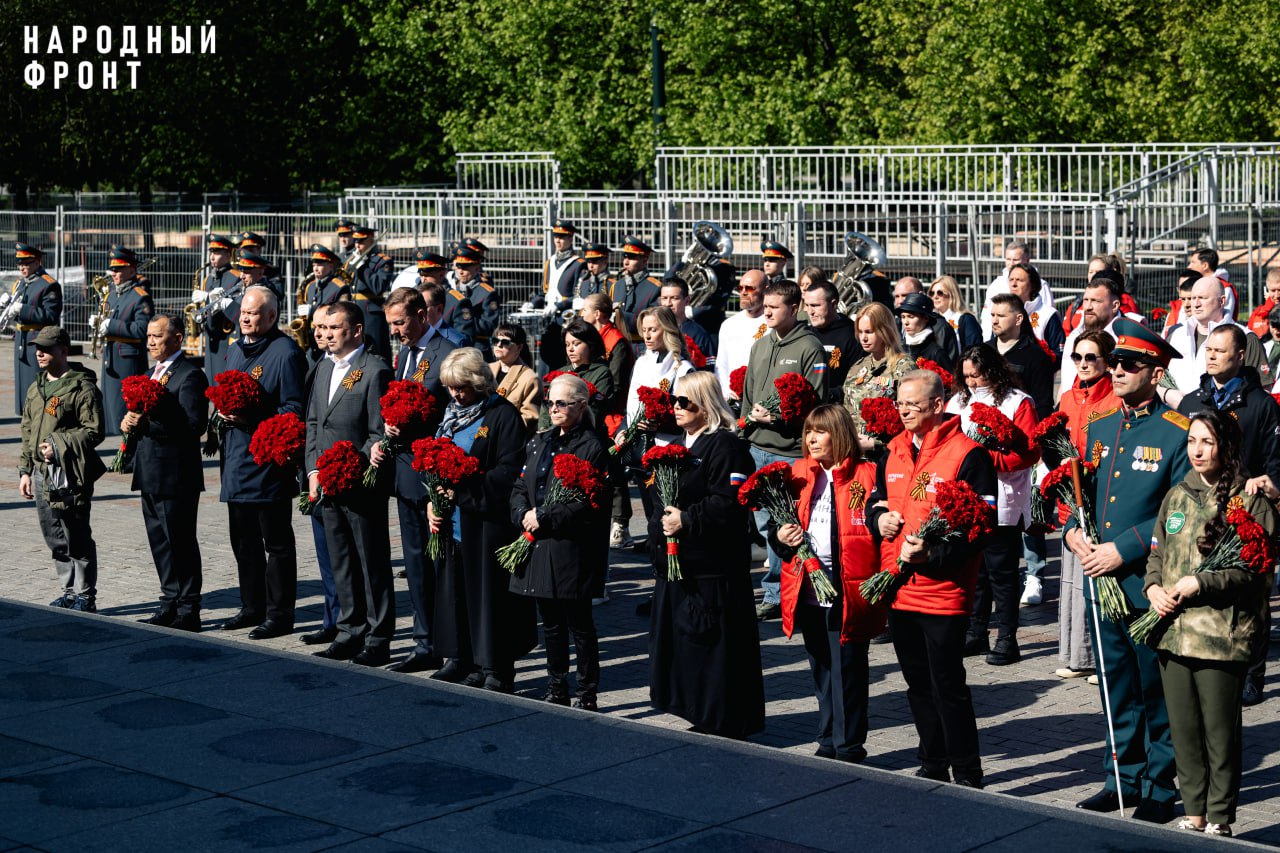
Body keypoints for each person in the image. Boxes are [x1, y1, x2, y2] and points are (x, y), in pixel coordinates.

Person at [1066, 318, 1190, 824]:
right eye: (1114, 362)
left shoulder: (1176, 432)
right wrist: (1075, 532)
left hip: (1146, 579)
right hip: (1102, 578)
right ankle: (1121, 775)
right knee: (1115, 683)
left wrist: (1124, 549)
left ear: (1155, 372)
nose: (1116, 370)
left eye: (1129, 365)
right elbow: (1082, 496)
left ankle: (1161, 784)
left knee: (1154, 687)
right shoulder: (1099, 426)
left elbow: (1178, 513)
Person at [1144, 409, 1276, 838]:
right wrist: (1153, 590)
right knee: (1183, 731)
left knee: (1219, 733)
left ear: (1227, 447)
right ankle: (1194, 810)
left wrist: (1202, 581)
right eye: (1192, 442)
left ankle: (1220, 815)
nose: (1197, 451)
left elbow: (1256, 570)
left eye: (1207, 442)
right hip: (1174, 632)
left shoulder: (1249, 498)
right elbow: (1157, 553)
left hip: (1221, 634)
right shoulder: (1177, 495)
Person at [866, 369, 997, 788]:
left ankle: (968, 771)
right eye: (899, 403)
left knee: (948, 685)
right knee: (917, 685)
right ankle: (932, 763)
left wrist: (933, 554)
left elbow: (982, 526)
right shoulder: (894, 449)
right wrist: (879, 518)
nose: (902, 410)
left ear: (937, 405)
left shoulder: (968, 454)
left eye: (912, 403)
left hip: (943, 592)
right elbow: (875, 498)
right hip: (899, 587)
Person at [647, 371, 764, 737]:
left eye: (686, 401)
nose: (677, 407)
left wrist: (687, 518)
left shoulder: (726, 447)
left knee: (714, 647)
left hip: (713, 568)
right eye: (675, 400)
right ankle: (699, 710)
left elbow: (728, 504)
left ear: (706, 405)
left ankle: (722, 719)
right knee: (688, 644)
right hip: (682, 566)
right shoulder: (682, 444)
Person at [1175, 323, 1280, 705]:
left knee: (1251, 595)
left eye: (1221, 351)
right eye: (1209, 350)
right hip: (1198, 511)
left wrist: (1268, 485)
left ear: (1240, 356)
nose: (1212, 356)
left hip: (1245, 511)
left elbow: (1275, 460)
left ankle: (1252, 672)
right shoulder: (1192, 402)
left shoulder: (1261, 405)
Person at [775, 404, 884, 760]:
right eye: (808, 431)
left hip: (848, 589)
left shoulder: (867, 474)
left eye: (819, 431)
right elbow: (781, 532)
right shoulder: (798, 473)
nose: (811, 438)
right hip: (806, 588)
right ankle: (826, 739)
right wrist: (782, 535)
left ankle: (849, 744)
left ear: (838, 434)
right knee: (822, 668)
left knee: (849, 671)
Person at [426, 348, 538, 691]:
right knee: (456, 591)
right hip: (453, 522)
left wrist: (463, 489)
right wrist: (432, 500)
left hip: (486, 522)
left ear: (478, 382)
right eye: (450, 387)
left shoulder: (501, 415)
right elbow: (433, 458)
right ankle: (461, 658)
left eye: (461, 387)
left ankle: (496, 667)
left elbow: (507, 471)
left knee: (488, 597)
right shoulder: (449, 413)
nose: (455, 394)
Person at [510, 373, 611, 709]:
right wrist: (524, 511)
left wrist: (547, 516)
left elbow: (586, 501)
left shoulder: (591, 446)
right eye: (549, 402)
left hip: (571, 546)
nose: (553, 408)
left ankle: (587, 692)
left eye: (561, 403)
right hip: (539, 540)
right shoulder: (540, 440)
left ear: (581, 405)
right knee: (551, 622)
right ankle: (557, 687)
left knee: (579, 622)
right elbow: (521, 484)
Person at [372, 287, 458, 673]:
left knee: (441, 561)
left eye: (401, 322)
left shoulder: (445, 352)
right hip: (406, 469)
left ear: (423, 314)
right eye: (391, 324)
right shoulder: (404, 353)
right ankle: (424, 641)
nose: (396, 331)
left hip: (435, 470)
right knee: (415, 561)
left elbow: (455, 409)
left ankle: (451, 640)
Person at [306, 300, 395, 666]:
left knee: (370, 560)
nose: (326, 335)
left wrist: (352, 464)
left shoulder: (375, 371)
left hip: (360, 481)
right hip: (325, 480)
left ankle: (378, 636)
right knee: (340, 559)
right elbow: (313, 423)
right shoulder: (323, 368)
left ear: (356, 331)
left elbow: (378, 432)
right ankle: (349, 628)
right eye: (323, 329)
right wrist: (313, 471)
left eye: (335, 328)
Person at [217, 286, 307, 639]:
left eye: (253, 314)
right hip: (237, 460)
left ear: (271, 317)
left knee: (276, 544)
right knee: (243, 541)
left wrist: (251, 415)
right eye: (243, 312)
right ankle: (251, 605)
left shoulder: (285, 353)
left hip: (268, 463)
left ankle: (279, 613)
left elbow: (293, 410)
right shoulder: (236, 349)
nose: (245, 318)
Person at [947, 345, 1040, 665]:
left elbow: (1029, 452)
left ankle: (1007, 638)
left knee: (1001, 572)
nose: (972, 382)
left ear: (993, 370)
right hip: (966, 500)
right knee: (976, 571)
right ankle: (976, 633)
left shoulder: (1017, 401)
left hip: (1003, 497)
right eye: (967, 376)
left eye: (978, 374)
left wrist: (988, 460)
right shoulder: (958, 401)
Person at [741, 279, 827, 621]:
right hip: (756, 447)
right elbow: (748, 391)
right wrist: (747, 425)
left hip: (788, 451)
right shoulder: (761, 344)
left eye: (775, 307)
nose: (767, 311)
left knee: (786, 523)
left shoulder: (810, 347)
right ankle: (778, 587)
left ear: (794, 309)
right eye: (766, 305)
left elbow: (814, 404)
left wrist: (776, 418)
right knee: (765, 525)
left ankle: (780, 590)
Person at [125, 314, 209, 632]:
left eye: (157, 336)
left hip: (176, 474)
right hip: (149, 470)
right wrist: (129, 423)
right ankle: (169, 602)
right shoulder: (150, 374)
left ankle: (189, 608)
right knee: (159, 541)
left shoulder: (189, 376)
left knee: (180, 541)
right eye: (148, 336)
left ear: (176, 339)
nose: (150, 342)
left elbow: (192, 425)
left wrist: (146, 423)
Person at [18, 326, 106, 613]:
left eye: (47, 348)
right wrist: (25, 470)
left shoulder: (83, 387)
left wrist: (57, 445)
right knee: (53, 534)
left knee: (76, 531)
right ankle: (67, 591)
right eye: (37, 348)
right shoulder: (36, 387)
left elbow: (94, 430)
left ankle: (85, 595)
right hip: (42, 475)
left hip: (70, 472)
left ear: (64, 351)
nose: (40, 353)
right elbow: (28, 430)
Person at [1052, 330, 1118, 679]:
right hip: (1071, 500)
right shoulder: (1066, 397)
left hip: (1102, 498)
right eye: (1077, 357)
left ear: (1107, 361)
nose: (1083, 364)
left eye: (1091, 357)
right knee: (1074, 582)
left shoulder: (1114, 398)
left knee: (1098, 579)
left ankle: (1103, 659)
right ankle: (1077, 656)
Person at [613, 306, 695, 548]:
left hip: (667, 445)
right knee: (649, 505)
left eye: (653, 330)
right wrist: (624, 429)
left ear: (667, 330)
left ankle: (667, 547)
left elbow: (688, 413)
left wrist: (660, 421)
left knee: (666, 503)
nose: (647, 336)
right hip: (640, 445)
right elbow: (631, 403)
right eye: (644, 330)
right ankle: (654, 540)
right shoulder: (641, 362)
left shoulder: (682, 368)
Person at [1164, 276, 1269, 403]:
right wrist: (1167, 395)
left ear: (1222, 301)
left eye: (1203, 298)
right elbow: (1158, 376)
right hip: (1175, 418)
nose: (1195, 304)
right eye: (1193, 298)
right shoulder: (1176, 335)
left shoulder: (1246, 338)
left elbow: (1263, 392)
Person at [842, 302, 917, 458]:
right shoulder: (857, 367)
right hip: (854, 455)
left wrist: (877, 444)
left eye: (869, 332)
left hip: (887, 456)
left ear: (884, 331)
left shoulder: (903, 367)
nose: (863, 337)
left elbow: (913, 418)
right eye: (860, 332)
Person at [96, 246, 154, 437]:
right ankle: (123, 451)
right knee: (112, 409)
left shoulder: (140, 297)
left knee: (127, 407)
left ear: (132, 270)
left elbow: (142, 329)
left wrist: (110, 325)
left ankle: (130, 453)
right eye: (112, 269)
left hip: (128, 360)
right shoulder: (112, 294)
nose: (114, 273)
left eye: (119, 269)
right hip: (111, 357)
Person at [7, 243, 62, 416]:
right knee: (23, 388)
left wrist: (22, 309)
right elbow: (18, 314)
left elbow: (51, 315)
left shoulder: (49, 284)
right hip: (22, 339)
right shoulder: (20, 284)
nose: (22, 267)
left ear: (37, 262)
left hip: (38, 340)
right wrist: (8, 307)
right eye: (20, 263)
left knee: (37, 385)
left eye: (27, 263)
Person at [988, 293, 1054, 418]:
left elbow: (1043, 405)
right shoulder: (984, 350)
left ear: (1018, 319)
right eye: (993, 315)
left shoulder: (1036, 356)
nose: (994, 321)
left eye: (1001, 316)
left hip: (1021, 427)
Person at [1059, 273, 1125, 392]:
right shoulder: (1074, 337)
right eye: (1086, 300)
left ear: (1114, 306)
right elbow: (1066, 383)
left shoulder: (1128, 338)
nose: (1088, 307)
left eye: (1096, 301)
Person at [582, 291, 634, 439]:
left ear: (597, 314)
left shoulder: (616, 342)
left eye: (585, 310)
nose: (582, 314)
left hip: (609, 413)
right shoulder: (594, 338)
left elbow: (616, 383)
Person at [803, 278, 864, 402]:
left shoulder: (853, 334)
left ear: (833, 304)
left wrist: (829, 395)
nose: (810, 312)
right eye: (807, 305)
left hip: (837, 410)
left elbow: (859, 381)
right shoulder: (804, 333)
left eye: (815, 305)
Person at [195, 234, 244, 384]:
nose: (212, 257)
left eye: (216, 253)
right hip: (212, 340)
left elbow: (236, 309)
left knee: (224, 383)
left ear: (228, 254)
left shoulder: (236, 277)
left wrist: (208, 297)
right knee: (211, 382)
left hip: (226, 338)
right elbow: (206, 308)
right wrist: (200, 315)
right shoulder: (208, 279)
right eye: (211, 252)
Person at [714, 269, 768, 401]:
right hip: (732, 398)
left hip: (762, 397)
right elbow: (721, 365)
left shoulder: (773, 323)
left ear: (765, 291)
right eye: (740, 288)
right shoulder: (729, 325)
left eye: (749, 288)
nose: (743, 292)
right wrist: (726, 392)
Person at [346, 225, 394, 363]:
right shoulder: (353, 258)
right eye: (355, 241)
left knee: (376, 351)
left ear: (371, 240)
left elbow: (378, 287)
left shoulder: (382, 261)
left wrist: (362, 268)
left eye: (361, 242)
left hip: (371, 314)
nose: (357, 245)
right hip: (353, 310)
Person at [301, 244, 352, 363]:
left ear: (330, 266)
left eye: (320, 265)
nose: (315, 268)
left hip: (329, 342)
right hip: (312, 340)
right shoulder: (310, 286)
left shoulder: (339, 287)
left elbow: (342, 316)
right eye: (314, 265)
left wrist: (312, 310)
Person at [446, 244, 502, 353]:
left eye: (466, 267)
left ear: (477, 267)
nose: (461, 271)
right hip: (451, 345)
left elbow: (489, 325)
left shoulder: (487, 293)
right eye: (458, 266)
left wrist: (464, 319)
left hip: (477, 347)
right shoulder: (452, 289)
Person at [1007, 262, 1065, 364]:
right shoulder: (1004, 313)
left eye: (1019, 280)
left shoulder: (1048, 315)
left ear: (1032, 285)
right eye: (1011, 280)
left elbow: (1059, 354)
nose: (1014, 284)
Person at [489, 322, 540, 433]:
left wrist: (501, 431)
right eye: (495, 341)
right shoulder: (486, 370)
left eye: (505, 342)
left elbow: (529, 418)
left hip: (506, 437)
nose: (498, 345)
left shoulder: (529, 378)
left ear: (519, 347)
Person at [615, 236, 663, 342]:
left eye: (631, 257)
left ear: (645, 260)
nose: (626, 262)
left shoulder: (655, 288)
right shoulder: (617, 285)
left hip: (640, 345)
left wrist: (619, 316)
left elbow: (653, 323)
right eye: (624, 256)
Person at [659, 278, 716, 366]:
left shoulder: (698, 334)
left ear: (687, 301)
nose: (668, 303)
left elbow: (709, 370)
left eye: (674, 298)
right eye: (664, 298)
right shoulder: (654, 329)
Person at [895, 292, 950, 369]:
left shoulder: (936, 353)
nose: (906, 322)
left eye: (911, 317)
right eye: (903, 317)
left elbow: (949, 379)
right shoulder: (898, 350)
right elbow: (890, 380)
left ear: (926, 318)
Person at [928, 275, 981, 352]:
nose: (935, 296)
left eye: (940, 293)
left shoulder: (965, 319)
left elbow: (974, 351)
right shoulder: (930, 319)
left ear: (952, 294)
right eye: (932, 293)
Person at [542, 218, 583, 310]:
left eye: (561, 237)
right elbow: (543, 292)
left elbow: (578, 296)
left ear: (570, 238)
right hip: (548, 312)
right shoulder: (550, 262)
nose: (557, 240)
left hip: (565, 315)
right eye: (556, 237)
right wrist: (532, 303)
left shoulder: (578, 264)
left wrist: (558, 306)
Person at [1188, 247, 1239, 321]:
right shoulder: (1195, 285)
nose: (1189, 266)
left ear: (1205, 265)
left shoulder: (1224, 288)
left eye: (1193, 262)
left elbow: (1226, 318)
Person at [1245, 267, 1280, 340]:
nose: (1277, 295)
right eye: (1273, 290)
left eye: (1279, 290)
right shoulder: (1258, 313)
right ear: (1267, 290)